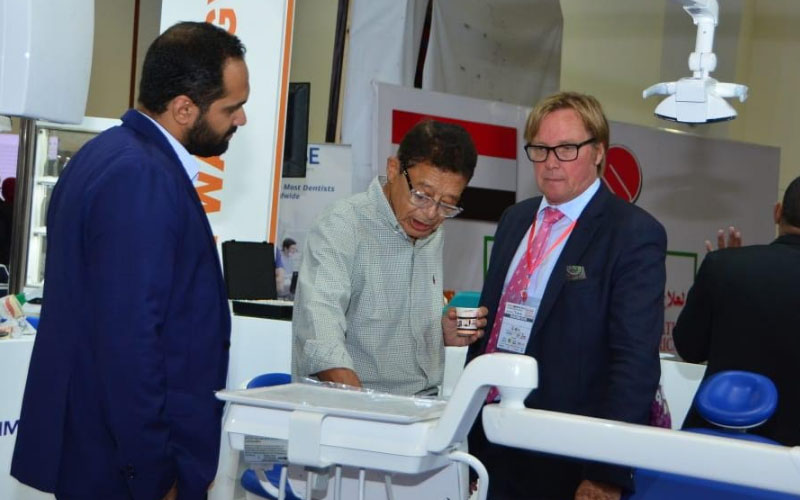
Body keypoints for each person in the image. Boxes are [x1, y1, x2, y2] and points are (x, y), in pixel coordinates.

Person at [11, 21, 249, 500]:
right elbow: (130, 342)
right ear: (184, 108)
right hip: (124, 466)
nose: (241, 120)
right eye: (231, 107)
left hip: (102, 452)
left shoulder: (105, 154)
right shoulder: (141, 176)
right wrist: (155, 472)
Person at [468, 92, 667, 500]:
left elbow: (634, 362)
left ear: (598, 152)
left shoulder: (632, 233)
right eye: (540, 149)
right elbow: (493, 327)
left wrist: (607, 473)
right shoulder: (515, 220)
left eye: (566, 149)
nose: (551, 162)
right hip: (493, 441)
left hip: (572, 457)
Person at [292, 119, 486, 396]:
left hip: (423, 404)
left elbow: (392, 330)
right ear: (393, 169)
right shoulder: (342, 224)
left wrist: (438, 334)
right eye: (422, 195)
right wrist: (361, 409)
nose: (431, 214)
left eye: (447, 204)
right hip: (353, 402)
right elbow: (319, 334)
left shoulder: (430, 231)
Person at [673, 175, 800, 446]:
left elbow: (689, 348)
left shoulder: (722, 266)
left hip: (718, 443)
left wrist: (724, 273)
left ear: (777, 212)